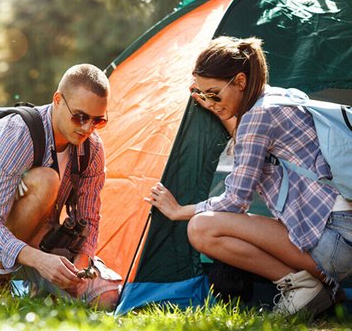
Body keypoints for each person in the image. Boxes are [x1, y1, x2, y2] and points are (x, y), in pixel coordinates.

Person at [145, 36, 352, 316]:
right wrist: (219, 106)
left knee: (200, 228)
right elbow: (251, 141)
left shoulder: (257, 118)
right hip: (342, 236)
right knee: (208, 224)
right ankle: (321, 289)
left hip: (332, 242)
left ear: (240, 81)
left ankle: (301, 287)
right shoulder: (277, 98)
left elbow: (235, 202)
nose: (209, 101)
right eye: (203, 94)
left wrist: (180, 211)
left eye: (214, 93)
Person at [0, 64, 121, 309]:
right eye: (80, 117)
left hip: (39, 237)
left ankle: (38, 288)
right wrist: (41, 261)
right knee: (46, 181)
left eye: (98, 120)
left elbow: (89, 218)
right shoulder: (18, 132)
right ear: (58, 100)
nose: (87, 128)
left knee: (106, 298)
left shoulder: (92, 148)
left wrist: (82, 263)